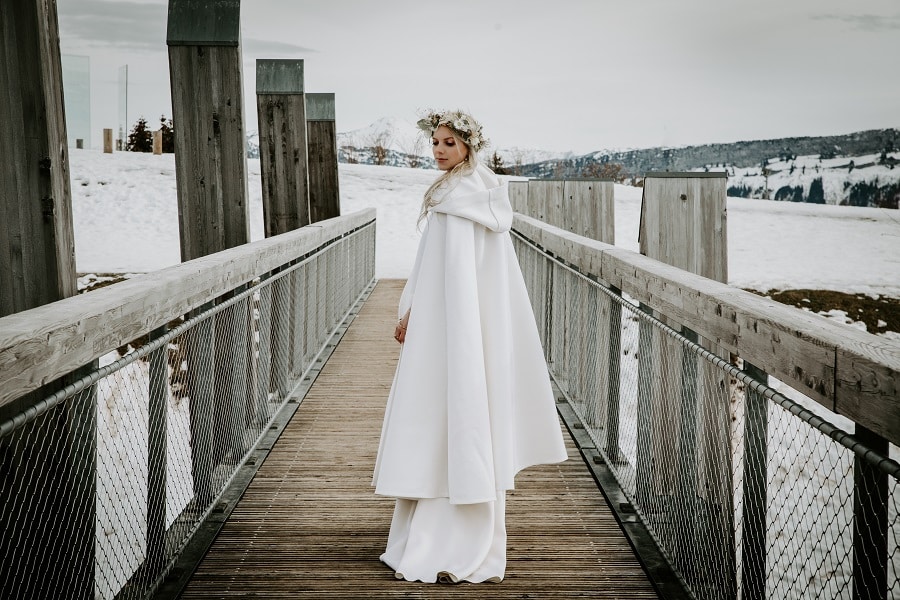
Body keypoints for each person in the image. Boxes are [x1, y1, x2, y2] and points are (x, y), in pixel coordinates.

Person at [372, 110, 568, 584]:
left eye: (449, 144)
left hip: (453, 332)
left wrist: (419, 313)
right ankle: (438, 529)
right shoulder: (468, 193)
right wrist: (413, 308)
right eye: (435, 142)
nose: (439, 150)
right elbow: (437, 267)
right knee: (448, 418)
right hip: (450, 329)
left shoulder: (461, 198)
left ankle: (448, 536)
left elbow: (459, 277)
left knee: (450, 415)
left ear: (468, 148)